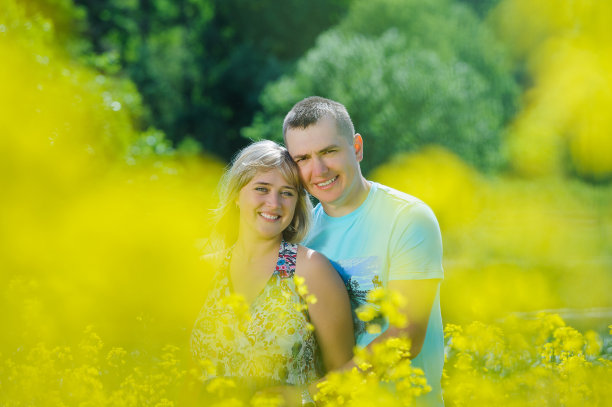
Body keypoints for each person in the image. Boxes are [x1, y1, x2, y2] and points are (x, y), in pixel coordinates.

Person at [283, 97, 445, 406]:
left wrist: (308, 396)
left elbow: (406, 336)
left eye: (329, 151)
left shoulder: (408, 218)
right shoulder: (302, 233)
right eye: (302, 158)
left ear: (356, 147)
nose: (318, 170)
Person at [190, 140, 354, 405]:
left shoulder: (311, 270)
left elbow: (346, 377)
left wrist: (301, 397)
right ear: (236, 194)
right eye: (261, 189)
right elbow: (188, 376)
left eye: (287, 193)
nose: (274, 203)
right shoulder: (204, 270)